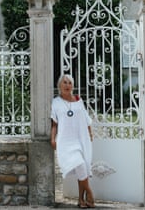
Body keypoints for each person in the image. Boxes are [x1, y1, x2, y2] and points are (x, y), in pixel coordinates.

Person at [50, 74, 95, 208]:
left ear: (73, 86)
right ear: (59, 85)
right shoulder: (56, 102)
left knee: (82, 168)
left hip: (81, 139)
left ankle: (81, 200)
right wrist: (53, 138)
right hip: (65, 141)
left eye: (70, 83)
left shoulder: (78, 100)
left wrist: (90, 132)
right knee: (80, 165)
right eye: (64, 82)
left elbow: (86, 119)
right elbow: (54, 124)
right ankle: (90, 193)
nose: (67, 85)